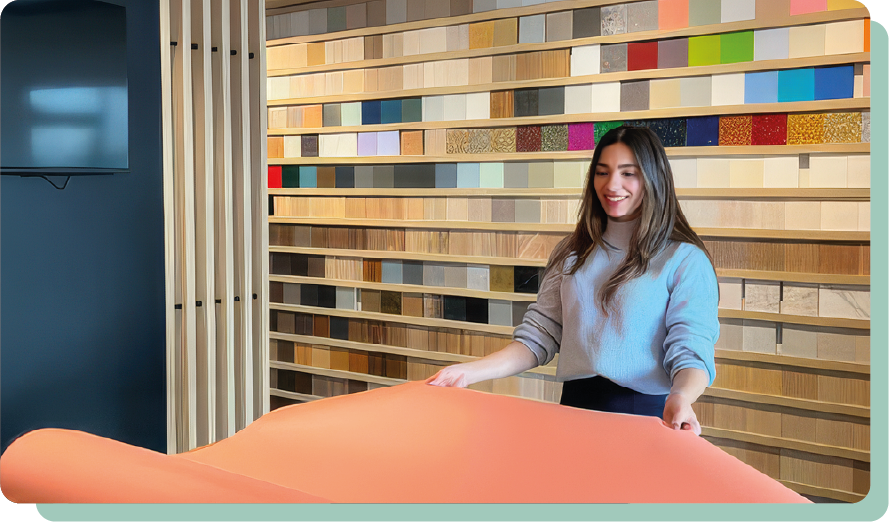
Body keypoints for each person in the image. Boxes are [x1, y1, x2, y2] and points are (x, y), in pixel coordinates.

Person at [426, 125, 719, 435]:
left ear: (653, 178)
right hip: (574, 409)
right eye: (602, 172)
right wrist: (467, 372)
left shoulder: (684, 260)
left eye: (628, 173)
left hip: (647, 416)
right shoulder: (573, 253)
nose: (612, 184)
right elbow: (539, 336)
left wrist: (681, 397)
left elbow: (691, 349)